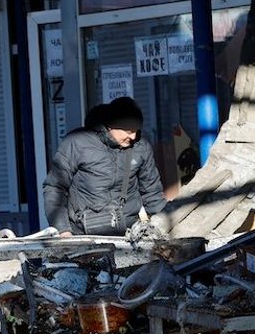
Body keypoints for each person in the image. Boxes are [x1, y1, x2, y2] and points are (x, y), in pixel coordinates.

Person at [43, 96, 167, 236]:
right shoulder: (76, 142)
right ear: (110, 126)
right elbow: (55, 188)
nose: (133, 137)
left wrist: (163, 226)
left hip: (128, 234)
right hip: (84, 234)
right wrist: (63, 230)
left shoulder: (141, 147)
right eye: (128, 131)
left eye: (137, 131)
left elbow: (152, 192)